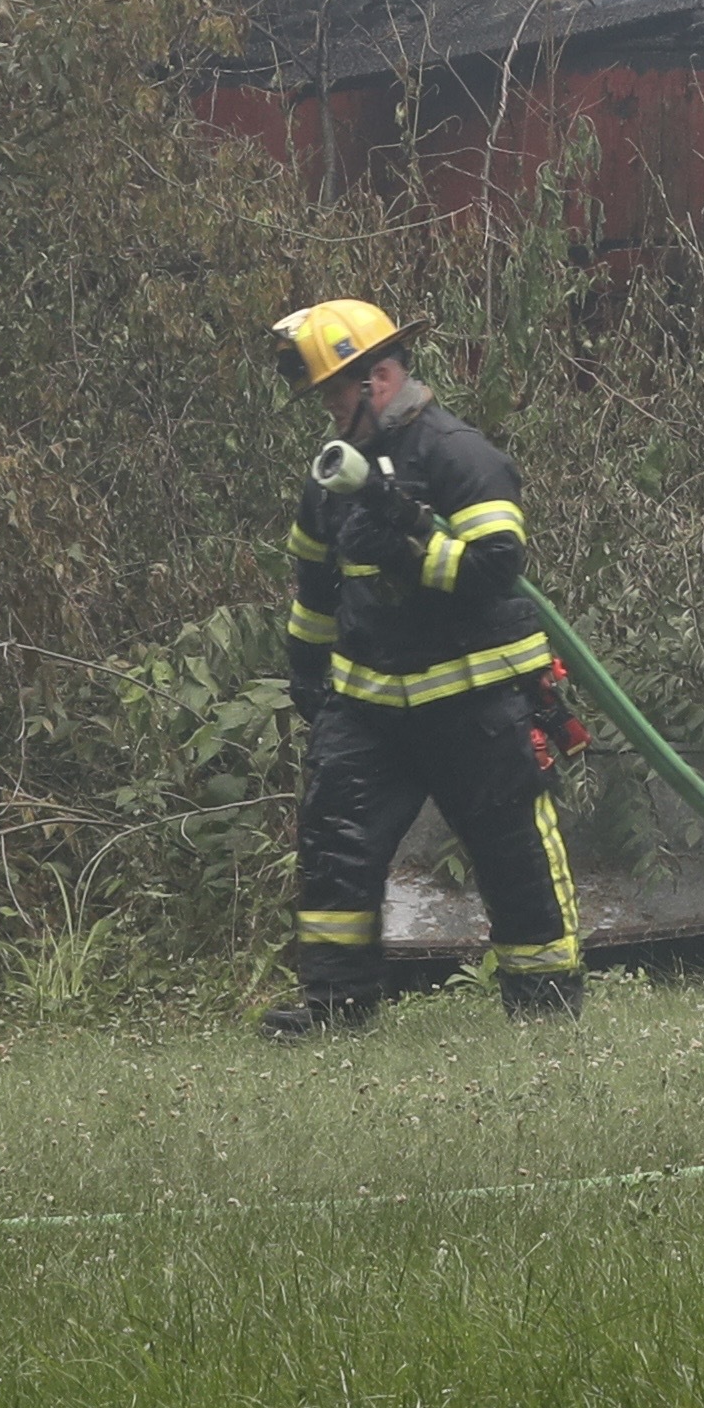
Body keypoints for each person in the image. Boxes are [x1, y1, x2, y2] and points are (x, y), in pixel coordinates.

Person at [261, 300, 585, 1033]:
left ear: (376, 378)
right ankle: (336, 1008)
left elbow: (497, 568)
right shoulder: (330, 478)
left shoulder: (457, 454)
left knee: (512, 851)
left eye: (334, 392)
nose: (329, 409)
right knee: (336, 840)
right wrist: (308, 670)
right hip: (371, 703)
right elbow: (314, 585)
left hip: (478, 698)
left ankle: (543, 1006)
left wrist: (411, 548)